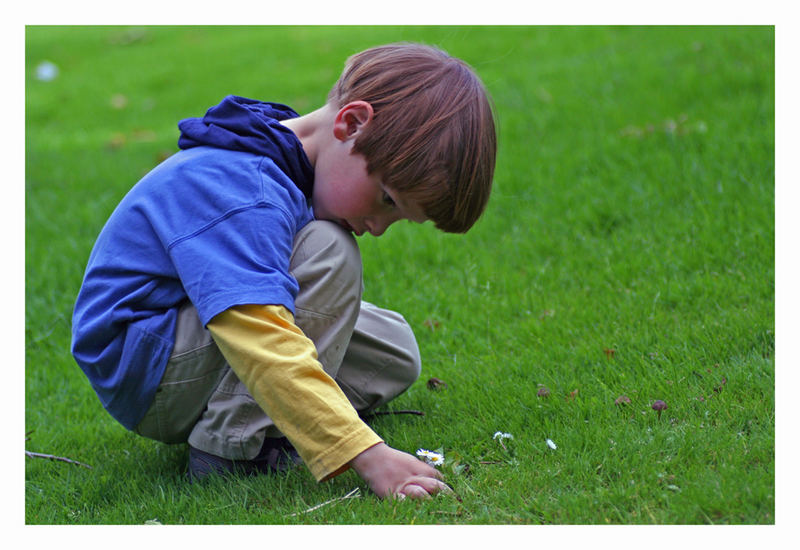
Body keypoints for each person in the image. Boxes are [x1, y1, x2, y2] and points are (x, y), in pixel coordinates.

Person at [71, 42, 496, 500]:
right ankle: (230, 449)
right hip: (146, 366)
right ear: (350, 124)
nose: (377, 227)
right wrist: (366, 454)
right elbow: (258, 334)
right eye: (387, 201)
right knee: (331, 251)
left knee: (391, 354)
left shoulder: (280, 152)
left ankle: (281, 420)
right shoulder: (246, 186)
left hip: (182, 339)